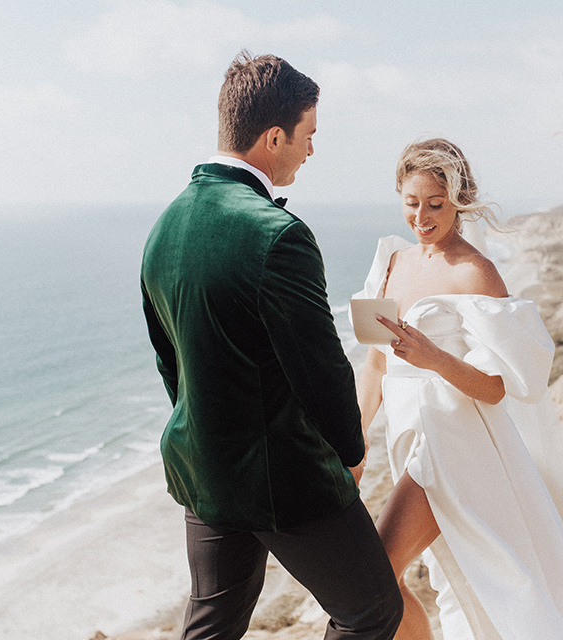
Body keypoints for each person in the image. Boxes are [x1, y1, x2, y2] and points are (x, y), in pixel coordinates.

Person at [141, 51, 403, 640]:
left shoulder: (164, 225)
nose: (312, 150)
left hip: (202, 466)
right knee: (371, 610)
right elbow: (320, 367)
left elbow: (169, 360)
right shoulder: (276, 234)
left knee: (212, 626)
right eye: (308, 136)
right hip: (284, 479)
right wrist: (350, 452)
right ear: (274, 136)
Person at [353, 138, 563, 639]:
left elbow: (498, 388)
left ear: (460, 200)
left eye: (437, 203)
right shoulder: (390, 262)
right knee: (438, 579)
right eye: (412, 203)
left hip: (454, 446)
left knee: (375, 574)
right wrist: (356, 438)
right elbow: (373, 365)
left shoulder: (475, 272)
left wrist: (435, 358)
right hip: (406, 442)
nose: (423, 217)